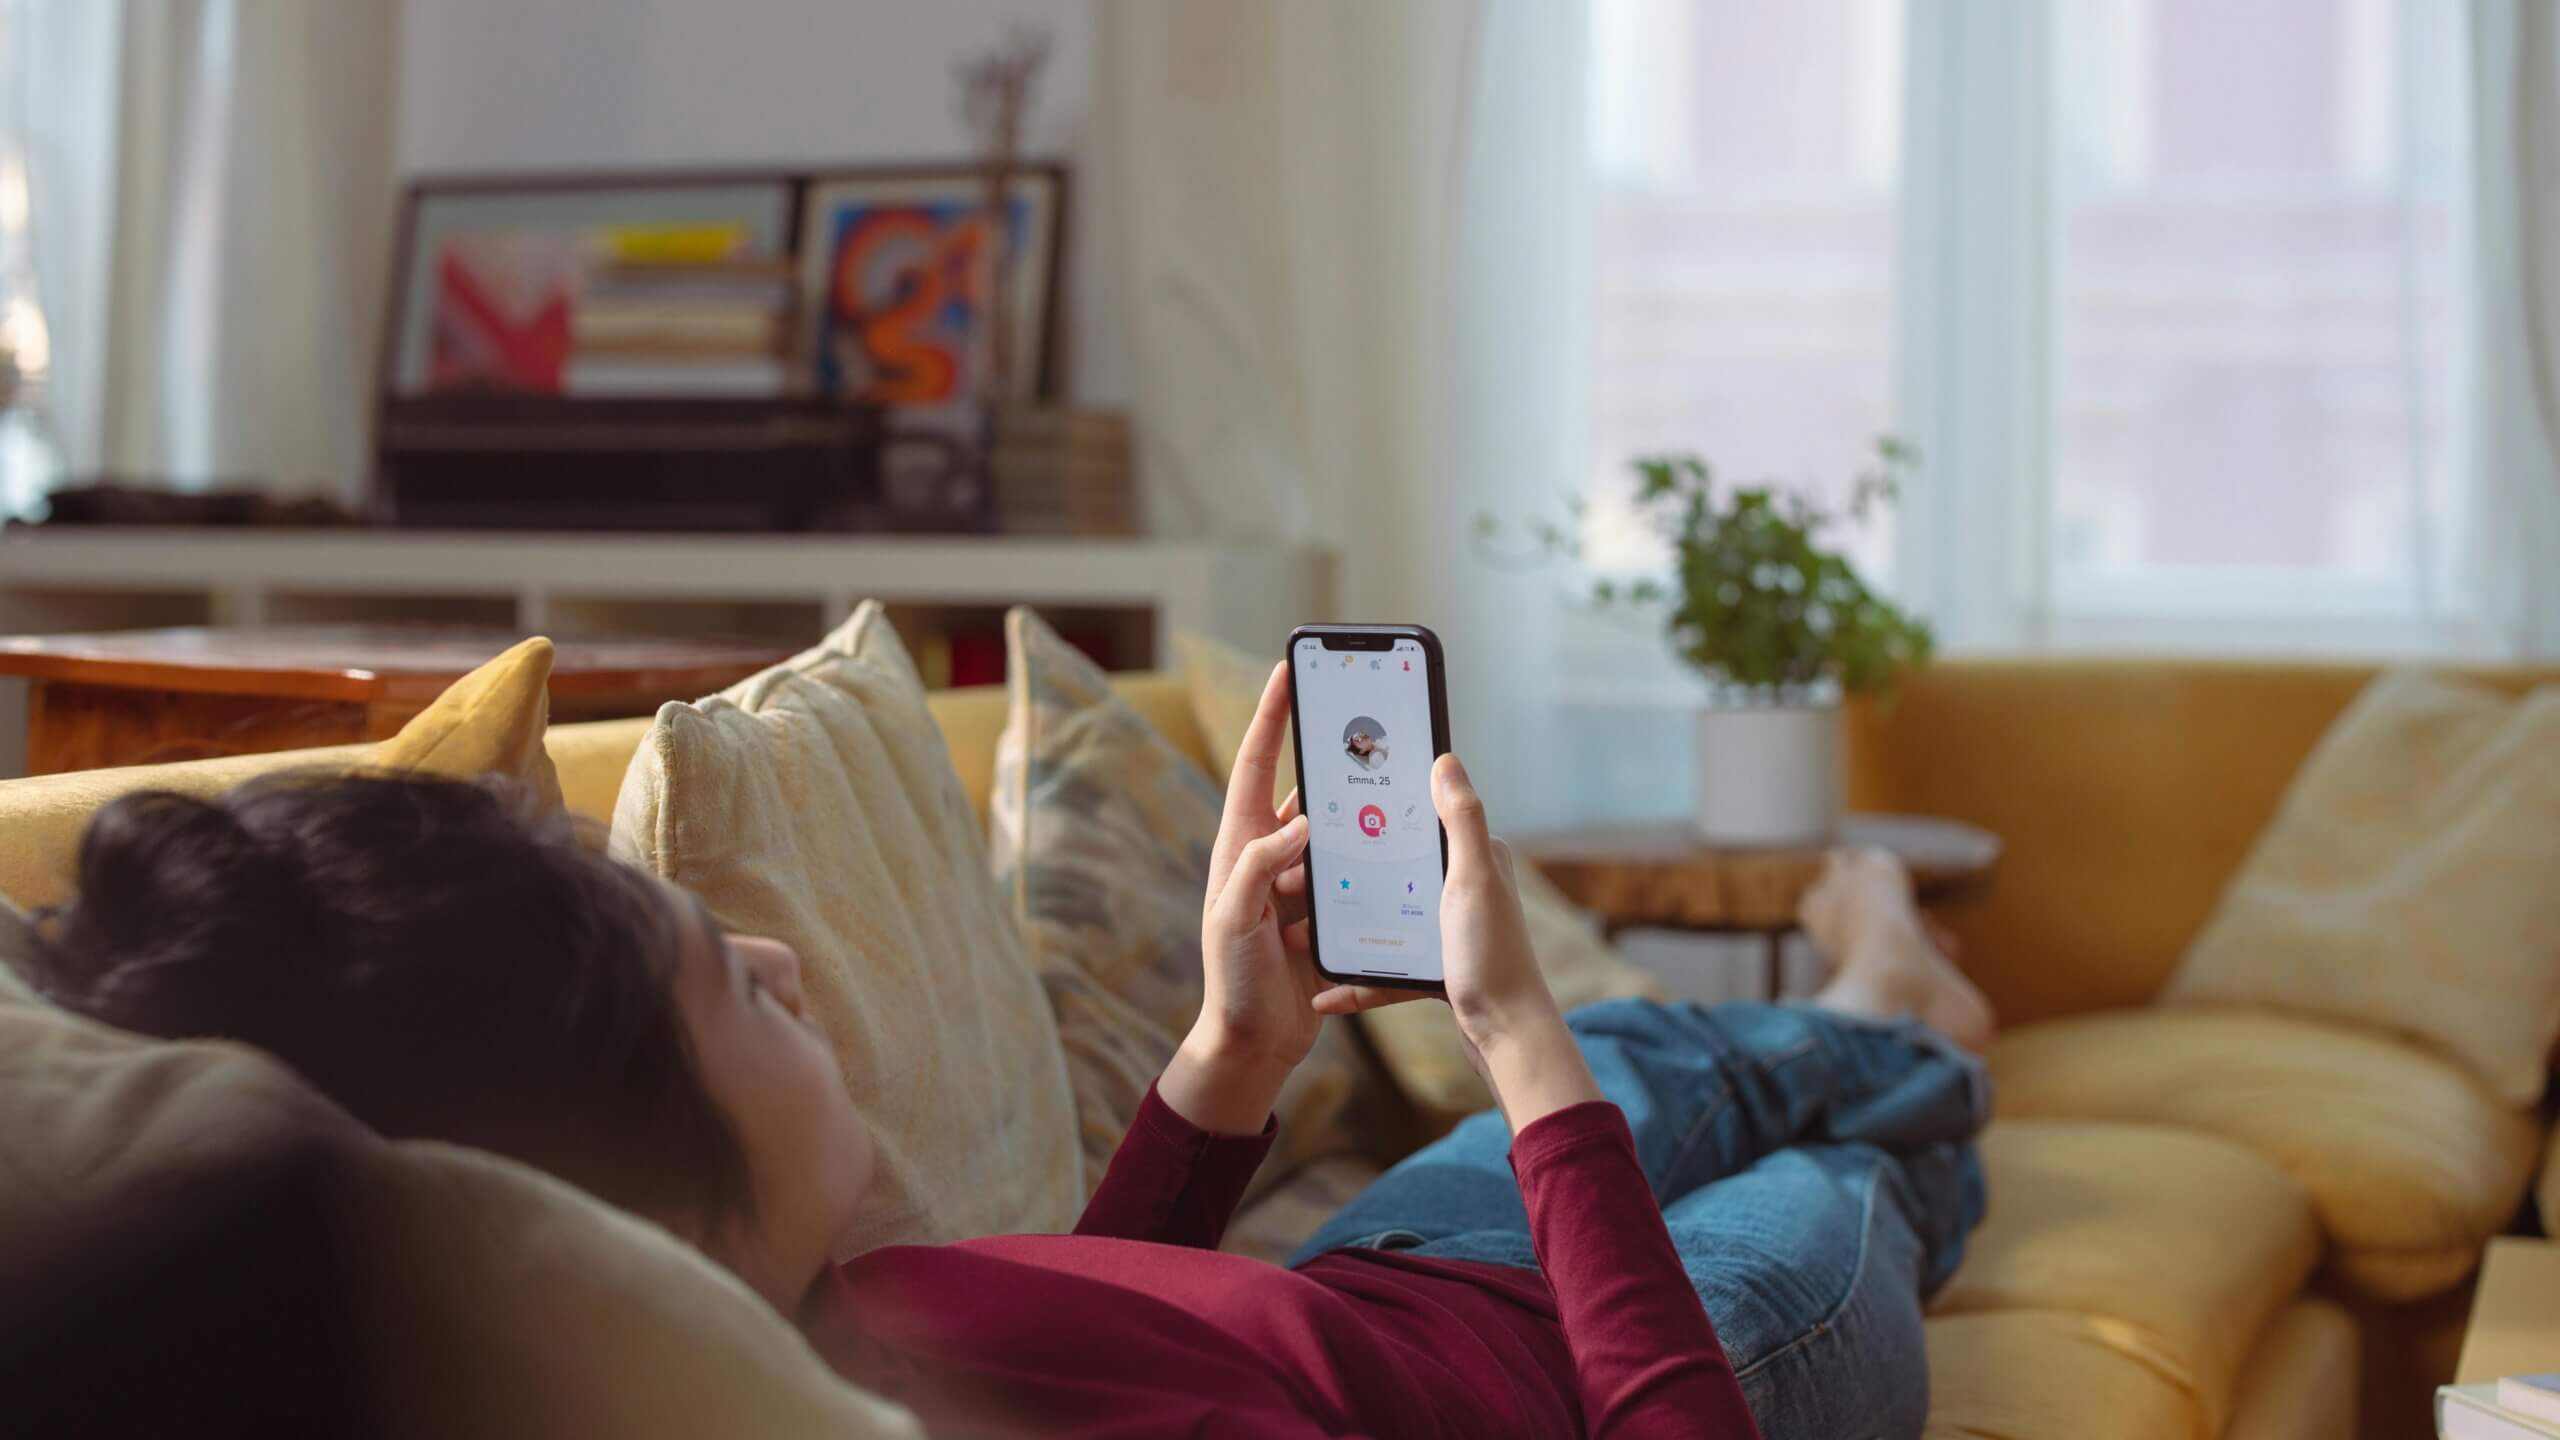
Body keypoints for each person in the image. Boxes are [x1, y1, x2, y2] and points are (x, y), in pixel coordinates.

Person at [24, 662, 1989, 1440]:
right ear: (633, 1189)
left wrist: (1227, 1050)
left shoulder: (807, 1318)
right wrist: (1499, 1029)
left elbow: (1094, 1317)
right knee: (1853, 1165)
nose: (781, 962)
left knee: (1658, 1043)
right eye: (720, 977)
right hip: (1648, 1368)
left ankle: (1839, 999)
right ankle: (1901, 1015)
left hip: (1405, 1267)